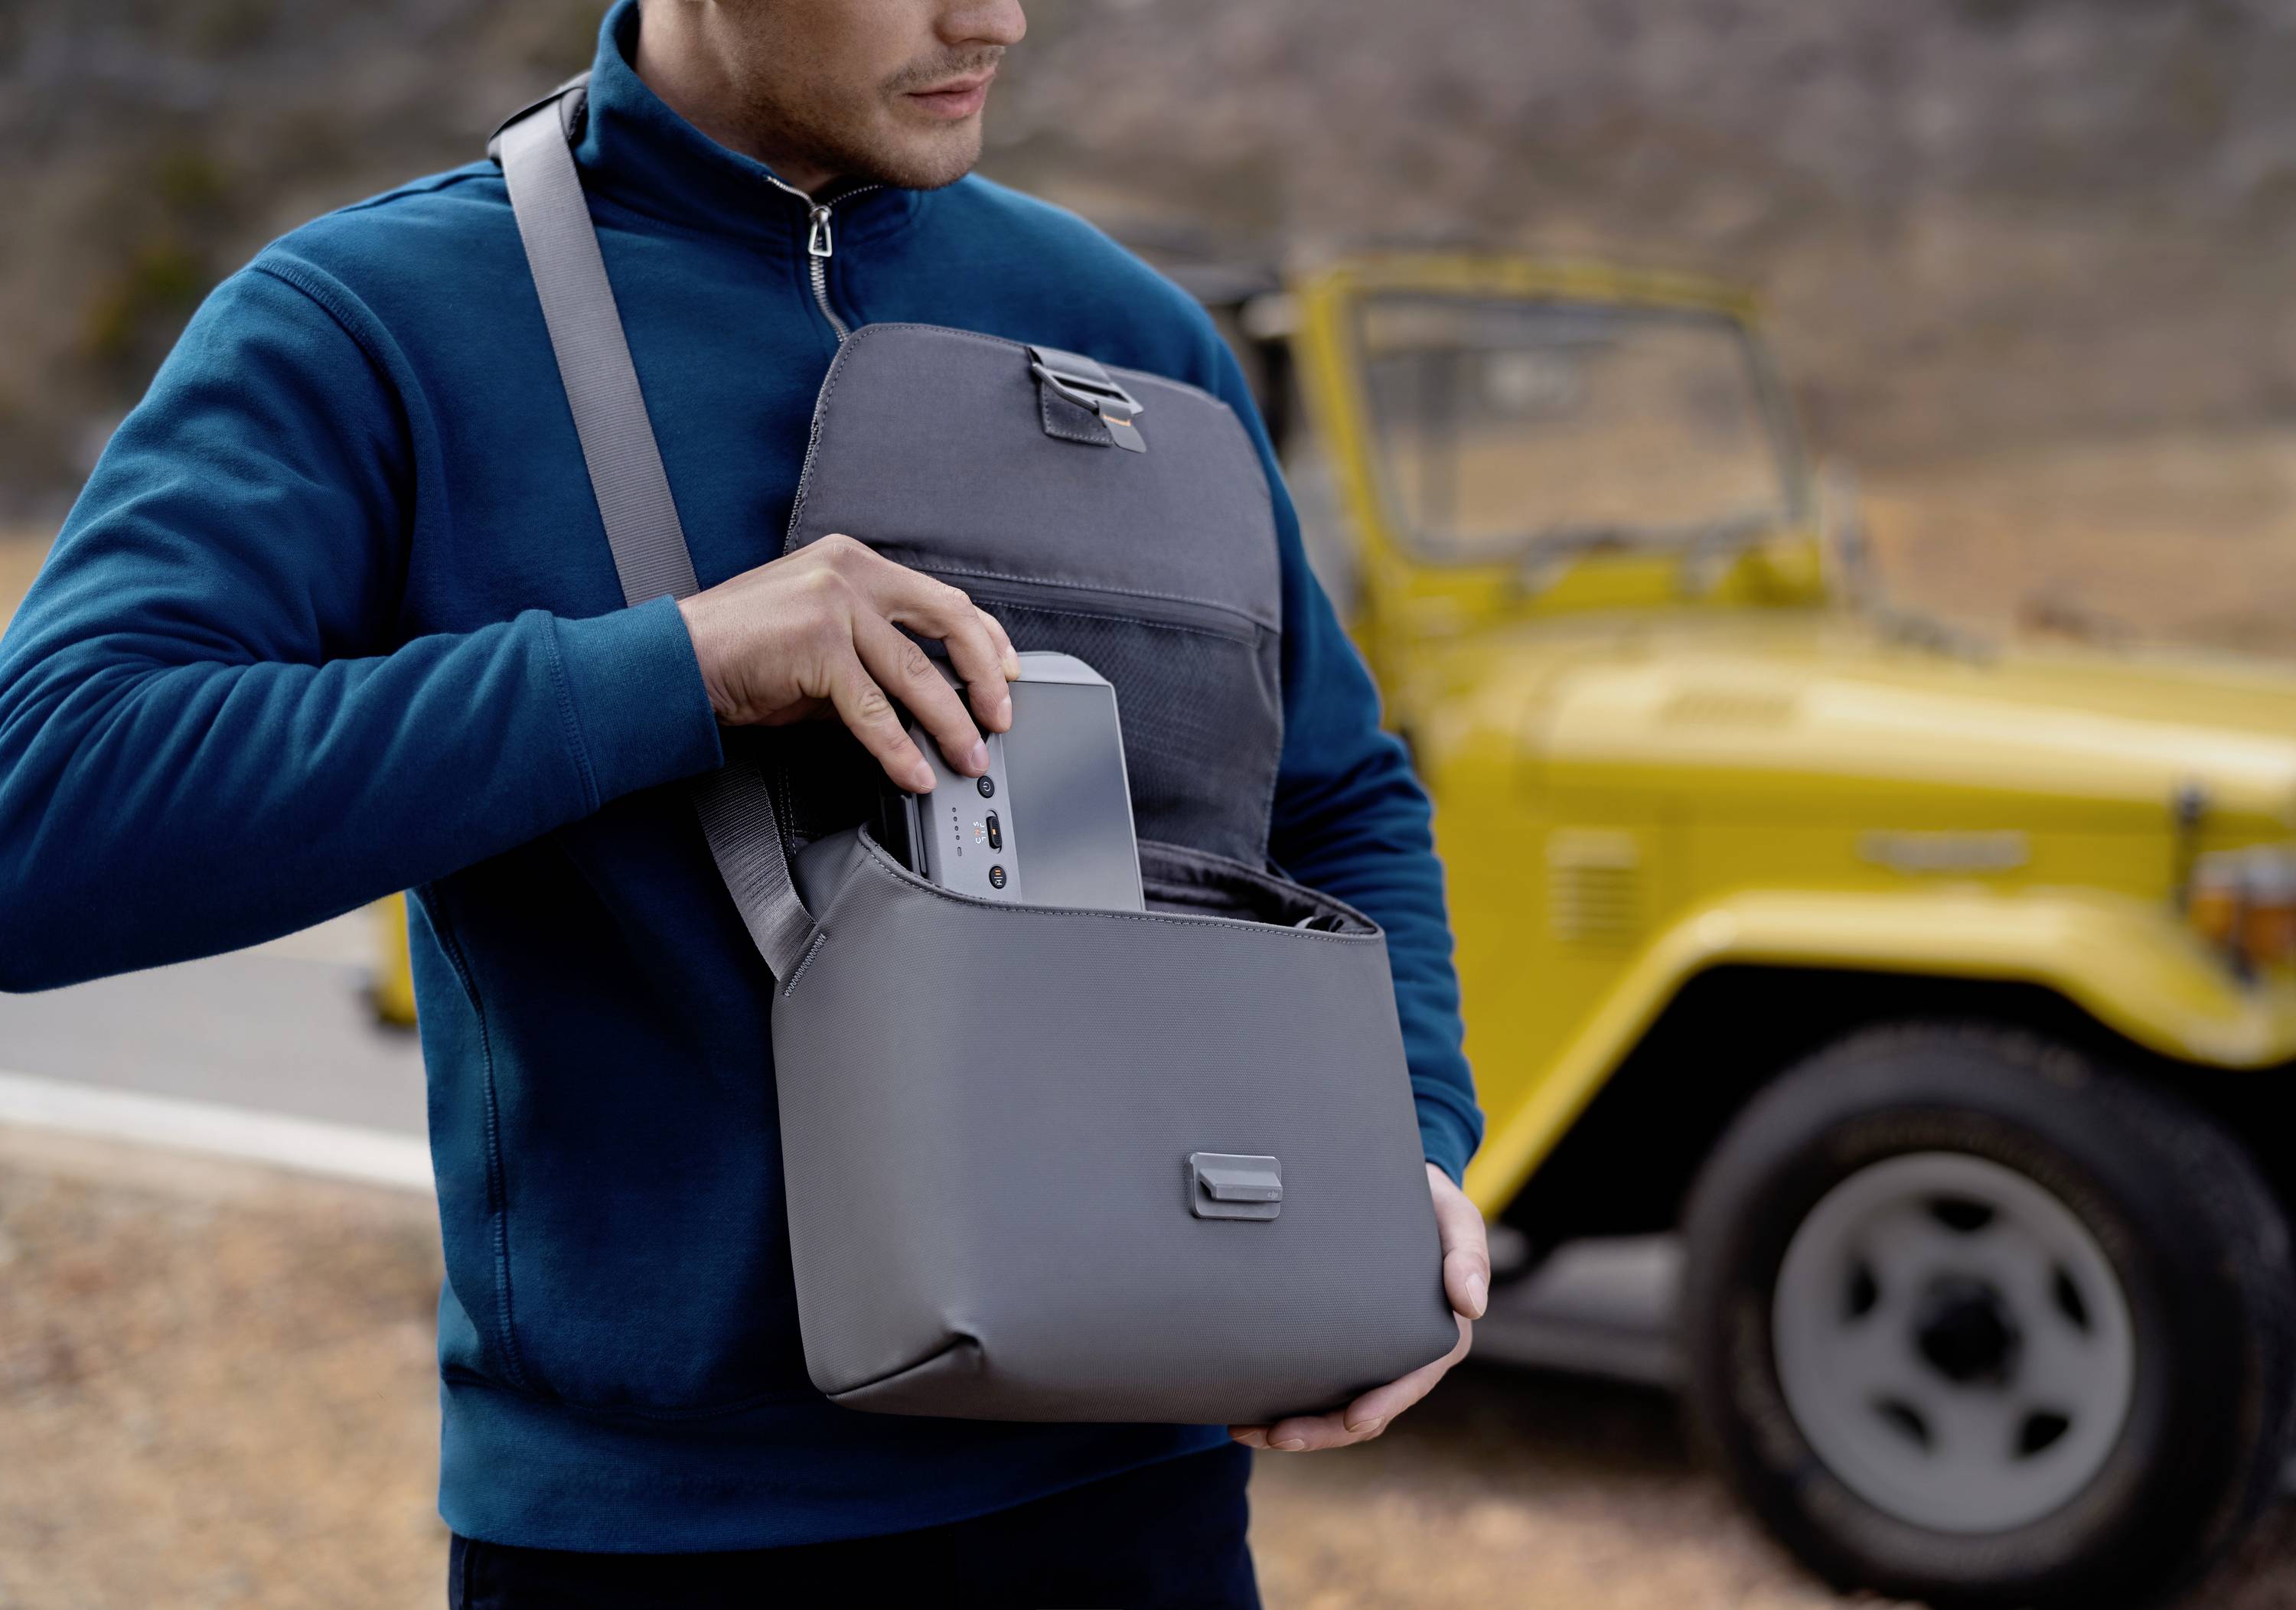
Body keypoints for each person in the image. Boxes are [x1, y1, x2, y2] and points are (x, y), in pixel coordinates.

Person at [0, 0, 1489, 1602]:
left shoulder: (1135, 334)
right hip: (656, 1539)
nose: (995, 17)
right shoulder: (374, 322)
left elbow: (1336, 799)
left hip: (1140, 1499)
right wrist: (678, 669)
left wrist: (1402, 1146)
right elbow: (47, 809)